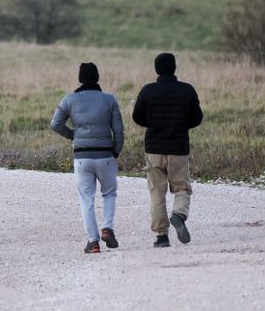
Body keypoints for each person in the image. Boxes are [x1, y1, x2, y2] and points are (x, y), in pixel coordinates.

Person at [50, 62, 124, 254]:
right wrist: (116, 150)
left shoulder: (70, 99)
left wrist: (73, 135)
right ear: (97, 77)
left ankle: (93, 242)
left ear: (80, 78)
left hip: (82, 156)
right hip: (106, 154)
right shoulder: (109, 100)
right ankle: (107, 227)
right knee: (109, 193)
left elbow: (55, 124)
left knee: (86, 199)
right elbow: (118, 129)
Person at [131, 52, 203, 248]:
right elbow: (197, 118)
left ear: (157, 70)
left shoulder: (148, 91)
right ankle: (179, 214)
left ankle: (162, 236)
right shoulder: (187, 90)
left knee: (157, 192)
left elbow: (137, 117)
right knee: (181, 188)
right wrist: (181, 124)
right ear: (174, 68)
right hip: (179, 148)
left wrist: (153, 123)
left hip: (154, 149)